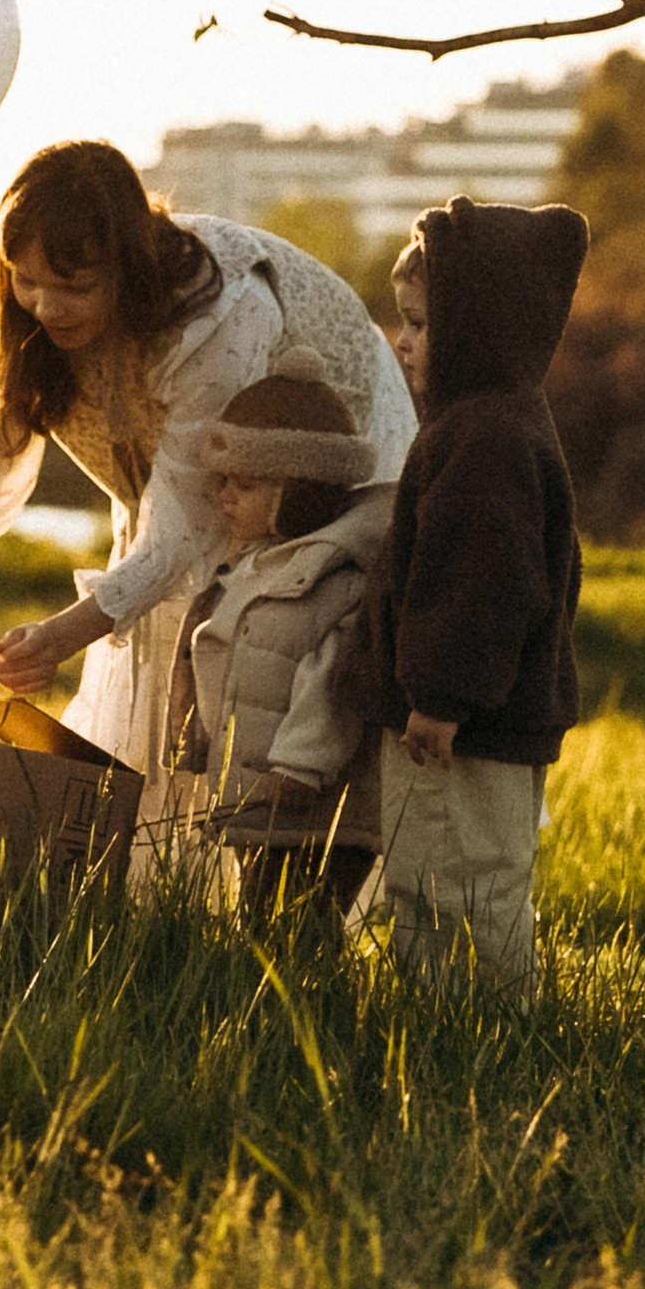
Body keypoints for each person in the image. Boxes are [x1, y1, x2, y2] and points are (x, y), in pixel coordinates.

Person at [0, 141, 412, 809]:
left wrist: (59, 638)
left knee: (259, 669)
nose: (46, 305)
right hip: (182, 497)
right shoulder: (16, 303)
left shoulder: (219, 315)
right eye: (29, 279)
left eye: (76, 286)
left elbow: (187, 522)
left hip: (323, 479)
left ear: (127, 269)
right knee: (141, 690)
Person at [351, 192, 588, 984]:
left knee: (464, 885)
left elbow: (481, 583)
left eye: (420, 324)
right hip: (463, 720)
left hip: (467, 725)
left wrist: (441, 696)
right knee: (427, 880)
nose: (403, 341)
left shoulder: (486, 437)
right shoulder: (479, 422)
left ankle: (481, 1027)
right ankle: (439, 1016)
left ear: (480, 326)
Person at [160, 357, 397, 921]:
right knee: (264, 916)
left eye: (245, 484)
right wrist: (196, 738)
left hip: (315, 804)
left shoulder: (340, 575)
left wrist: (301, 765)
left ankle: (316, 1008)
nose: (226, 498)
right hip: (259, 796)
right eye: (222, 482)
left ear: (303, 491)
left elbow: (338, 673)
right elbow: (221, 657)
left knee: (300, 921)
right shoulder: (255, 565)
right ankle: (273, 1008)